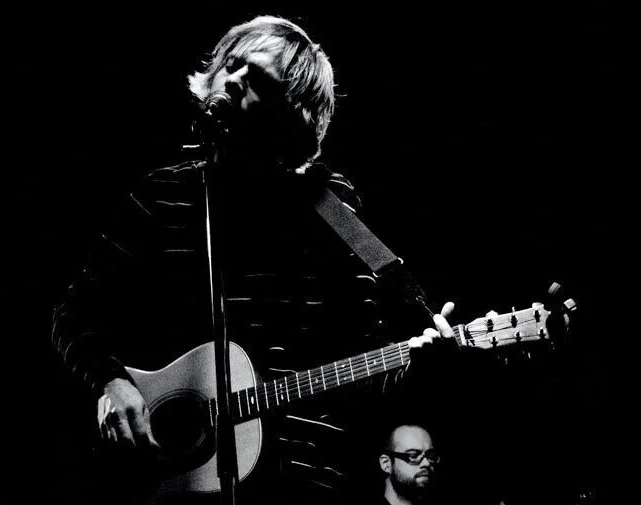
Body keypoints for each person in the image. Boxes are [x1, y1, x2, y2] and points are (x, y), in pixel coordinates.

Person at [51, 15, 456, 505]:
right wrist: (112, 381)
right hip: (167, 483)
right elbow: (75, 317)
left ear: (294, 113)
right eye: (231, 65)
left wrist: (417, 364)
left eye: (258, 79)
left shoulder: (333, 209)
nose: (233, 80)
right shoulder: (163, 196)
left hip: (304, 482)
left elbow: (367, 357)